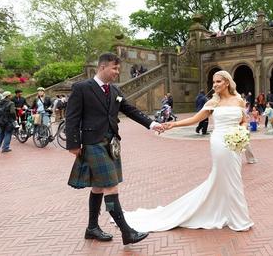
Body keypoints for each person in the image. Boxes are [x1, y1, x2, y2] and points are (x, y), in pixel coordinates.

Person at [122, 70, 254, 232]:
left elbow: (243, 121)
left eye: (218, 81)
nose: (215, 85)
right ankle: (239, 219)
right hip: (219, 142)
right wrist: (173, 124)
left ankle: (230, 213)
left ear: (227, 82)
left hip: (235, 144)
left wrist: (243, 132)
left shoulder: (238, 100)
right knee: (228, 177)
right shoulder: (213, 102)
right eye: (213, 82)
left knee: (233, 177)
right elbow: (195, 119)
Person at [65, 52, 164, 245]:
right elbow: (72, 117)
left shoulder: (115, 91)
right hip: (93, 142)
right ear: (102, 67)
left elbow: (130, 110)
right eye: (115, 68)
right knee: (111, 185)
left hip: (111, 144)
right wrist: (74, 144)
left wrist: (152, 124)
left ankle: (92, 228)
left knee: (99, 186)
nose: (117, 72)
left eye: (118, 68)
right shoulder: (82, 88)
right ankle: (127, 232)